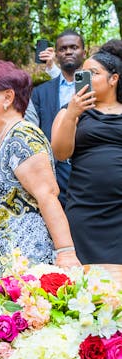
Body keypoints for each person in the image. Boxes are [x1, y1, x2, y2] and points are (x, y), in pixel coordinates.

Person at [0, 60, 78, 285]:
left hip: (29, 267)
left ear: (8, 97)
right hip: (4, 266)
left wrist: (66, 252)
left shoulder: (24, 136)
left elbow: (47, 194)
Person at [51, 41, 122, 264]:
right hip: (86, 207)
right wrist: (73, 113)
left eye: (93, 73)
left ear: (114, 79)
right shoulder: (69, 112)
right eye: (82, 74)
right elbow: (61, 153)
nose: (86, 78)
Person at [25, 29, 85, 203]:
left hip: (87, 165)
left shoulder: (98, 88)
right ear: (56, 54)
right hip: (53, 171)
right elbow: (33, 131)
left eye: (73, 47)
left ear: (84, 52)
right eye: (62, 48)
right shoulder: (39, 92)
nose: (68, 51)